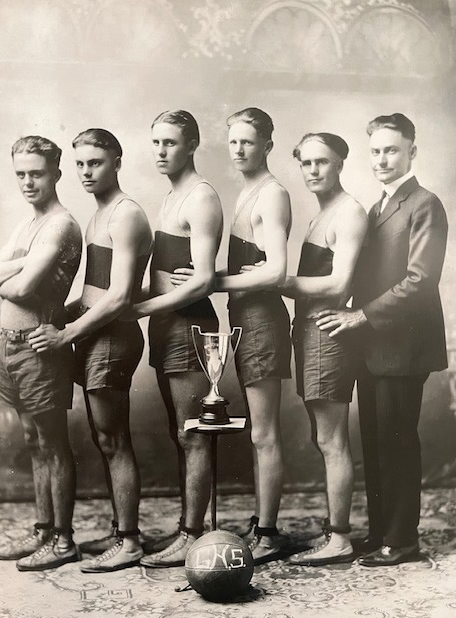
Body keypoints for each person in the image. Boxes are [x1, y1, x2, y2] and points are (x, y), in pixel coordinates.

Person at [317, 113, 448, 566]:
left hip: (403, 347)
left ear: (412, 151)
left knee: (396, 442)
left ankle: (403, 541)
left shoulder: (424, 203)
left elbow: (420, 281)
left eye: (391, 150)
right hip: (373, 347)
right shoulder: (376, 208)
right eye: (375, 151)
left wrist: (360, 317)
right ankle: (380, 532)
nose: (382, 159)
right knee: (373, 442)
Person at [28, 129, 153, 572]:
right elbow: (92, 291)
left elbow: (119, 298)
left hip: (113, 337)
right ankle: (123, 530)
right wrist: (57, 317)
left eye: (95, 163)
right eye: (80, 164)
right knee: (105, 439)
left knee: (113, 439)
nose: (85, 172)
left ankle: (130, 540)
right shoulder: (99, 213)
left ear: (117, 161)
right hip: (93, 333)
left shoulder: (125, 215)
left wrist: (66, 335)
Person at [173, 107, 293, 564]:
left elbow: (277, 270)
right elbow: (250, 268)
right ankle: (264, 524)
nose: (239, 149)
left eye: (249, 141)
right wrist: (210, 276)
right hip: (246, 315)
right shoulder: (248, 192)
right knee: (259, 432)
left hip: (263, 320)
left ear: (268, 145)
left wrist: (210, 281)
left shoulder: (273, 195)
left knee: (264, 433)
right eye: (234, 142)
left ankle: (268, 531)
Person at [249, 132, 367, 566]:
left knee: (331, 438)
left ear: (340, 164)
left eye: (323, 162)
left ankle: (340, 538)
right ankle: (336, 531)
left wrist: (277, 279)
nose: (313, 171)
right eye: (306, 163)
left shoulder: (349, 211)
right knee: (325, 438)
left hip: (325, 332)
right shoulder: (323, 213)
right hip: (309, 331)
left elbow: (340, 284)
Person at [0, 136, 82, 570]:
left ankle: (63, 540)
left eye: (36, 173)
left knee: (52, 442)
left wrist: (16, 269)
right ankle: (44, 529)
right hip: (11, 347)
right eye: (20, 173)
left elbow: (18, 289)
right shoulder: (27, 226)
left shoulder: (59, 225)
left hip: (40, 346)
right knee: (31, 440)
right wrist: (25, 260)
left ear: (56, 173)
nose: (27, 181)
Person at [130, 110, 223, 568]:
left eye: (170, 142)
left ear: (192, 145)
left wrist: (141, 309)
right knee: (179, 431)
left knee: (194, 434)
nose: (161, 152)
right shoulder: (170, 197)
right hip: (168, 324)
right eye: (155, 143)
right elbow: (163, 277)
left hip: (190, 325)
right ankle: (189, 525)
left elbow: (203, 280)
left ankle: (192, 534)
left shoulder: (201, 197)